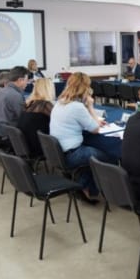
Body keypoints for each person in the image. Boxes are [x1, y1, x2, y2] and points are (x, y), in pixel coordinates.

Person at [50, 72, 115, 202]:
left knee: (92, 153)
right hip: (72, 154)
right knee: (110, 157)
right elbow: (95, 129)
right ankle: (92, 189)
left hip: (59, 153)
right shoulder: (77, 107)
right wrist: (90, 106)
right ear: (85, 87)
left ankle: (84, 186)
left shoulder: (60, 102)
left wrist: (92, 117)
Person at [17, 78, 55, 157]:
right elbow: (58, 121)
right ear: (49, 89)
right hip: (40, 147)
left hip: (27, 145)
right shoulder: (45, 105)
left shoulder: (29, 104)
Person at [0, 66, 29, 137]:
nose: (27, 83)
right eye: (26, 80)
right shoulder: (15, 95)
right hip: (10, 134)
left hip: (0, 130)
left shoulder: (1, 91)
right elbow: (23, 118)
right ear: (20, 80)